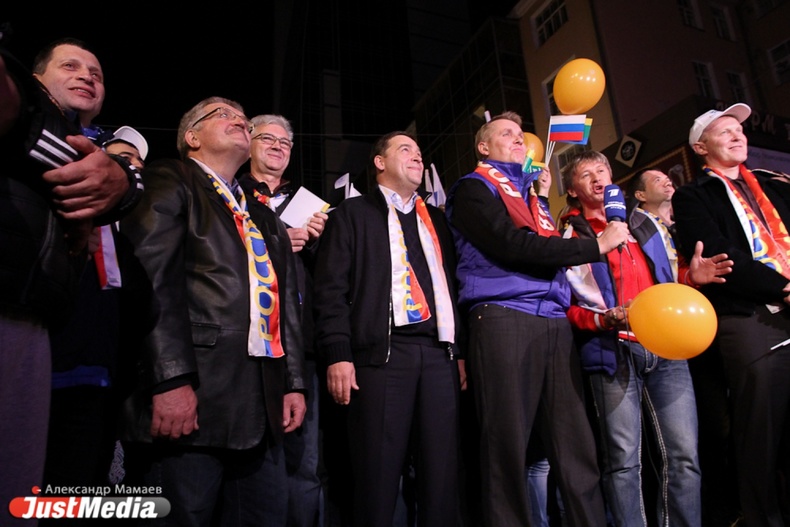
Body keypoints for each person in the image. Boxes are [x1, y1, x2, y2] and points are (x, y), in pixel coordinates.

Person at [118, 96, 307, 526]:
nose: (240, 120)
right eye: (224, 114)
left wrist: (293, 382)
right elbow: (150, 280)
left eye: (243, 118)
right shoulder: (170, 178)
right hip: (194, 400)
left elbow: (285, 307)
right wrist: (170, 378)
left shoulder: (263, 217)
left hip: (261, 409)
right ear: (192, 136)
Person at [444, 111, 628, 527]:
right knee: (506, 448)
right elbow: (512, 244)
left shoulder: (529, 197)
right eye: (506, 134)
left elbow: (541, 242)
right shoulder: (472, 188)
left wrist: (540, 198)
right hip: (504, 317)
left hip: (554, 322)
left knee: (576, 447)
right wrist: (595, 246)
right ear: (483, 147)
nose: (517, 139)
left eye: (519, 134)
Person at [0, 37, 142, 525]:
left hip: (80, 351)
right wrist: (122, 175)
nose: (87, 76)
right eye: (71, 66)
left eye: (97, 73)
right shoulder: (22, 113)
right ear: (33, 79)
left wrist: (123, 180)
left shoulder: (109, 157)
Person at [560, 154, 731, 527]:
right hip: (612, 350)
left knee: (684, 456)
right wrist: (603, 318)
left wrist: (690, 277)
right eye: (585, 175)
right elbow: (566, 307)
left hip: (665, 347)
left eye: (602, 171)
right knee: (624, 461)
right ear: (572, 191)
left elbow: (668, 280)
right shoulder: (572, 239)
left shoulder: (646, 223)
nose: (597, 178)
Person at [313, 131, 465, 527]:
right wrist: (338, 353)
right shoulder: (351, 213)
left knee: (441, 477)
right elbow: (330, 290)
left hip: (439, 356)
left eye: (419, 151)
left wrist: (460, 351)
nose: (417, 156)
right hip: (382, 358)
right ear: (379, 162)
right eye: (405, 149)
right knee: (377, 477)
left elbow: (452, 285)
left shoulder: (436, 221)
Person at [673, 103, 790, 527]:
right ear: (701, 147)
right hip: (750, 316)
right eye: (725, 131)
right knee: (761, 431)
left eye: (739, 129)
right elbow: (720, 257)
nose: (737, 135)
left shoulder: (774, 185)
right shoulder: (693, 196)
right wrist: (783, 287)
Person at [237, 113, 327, 527]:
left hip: (300, 345)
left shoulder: (310, 203)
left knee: (304, 460)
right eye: (267, 139)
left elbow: (331, 279)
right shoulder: (231, 193)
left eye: (285, 142)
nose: (277, 146)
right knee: (251, 455)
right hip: (248, 342)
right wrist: (275, 242)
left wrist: (320, 243)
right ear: (248, 143)